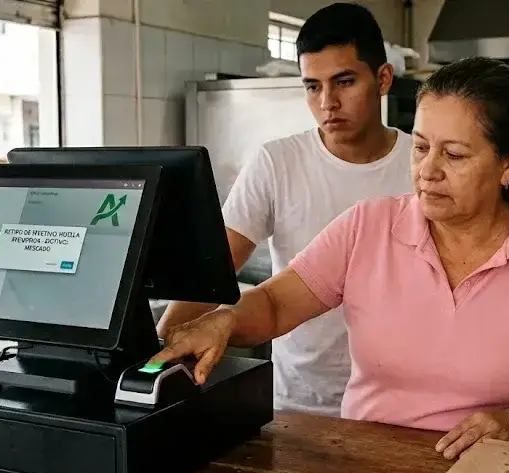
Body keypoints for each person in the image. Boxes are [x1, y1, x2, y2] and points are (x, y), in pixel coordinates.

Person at [151, 57, 509, 460]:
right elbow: (277, 304)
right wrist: (226, 320)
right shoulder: (368, 227)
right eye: (420, 148)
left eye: (454, 155)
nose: (428, 172)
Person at [156, 3, 413, 417]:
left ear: (382, 79)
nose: (328, 102)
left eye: (344, 82)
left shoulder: (421, 166)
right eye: (313, 86)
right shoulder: (278, 162)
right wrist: (161, 341)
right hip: (299, 401)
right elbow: (214, 269)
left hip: (397, 406)